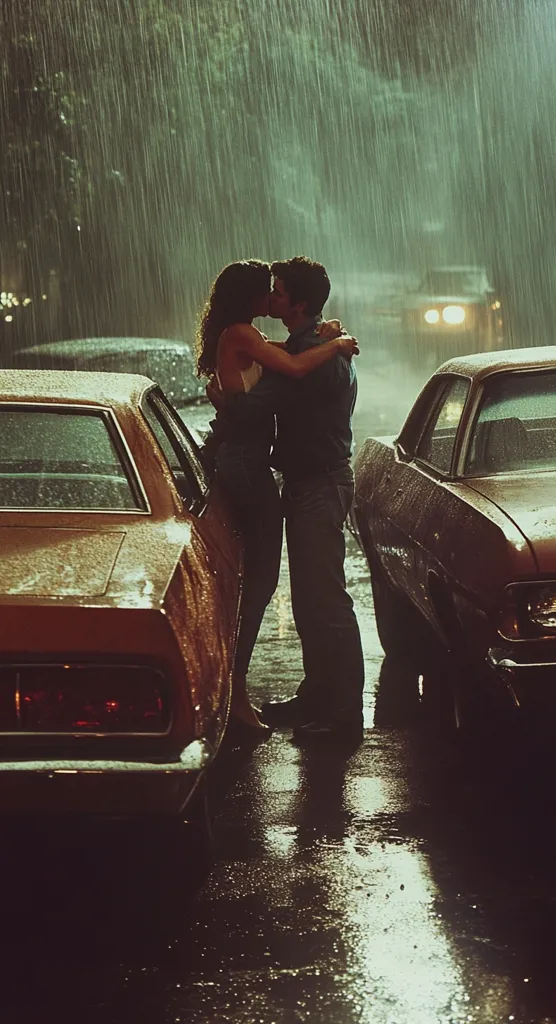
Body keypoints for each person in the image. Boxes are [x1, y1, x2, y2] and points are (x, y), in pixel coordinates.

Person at [195, 259, 358, 740]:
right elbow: (280, 360)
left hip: (319, 483)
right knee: (309, 599)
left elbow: (257, 402)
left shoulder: (314, 355)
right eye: (269, 290)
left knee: (324, 600)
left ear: (298, 303)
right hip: (305, 481)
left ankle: (343, 715)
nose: (273, 297)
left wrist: (228, 402)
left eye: (280, 291)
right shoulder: (311, 346)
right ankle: (317, 694)